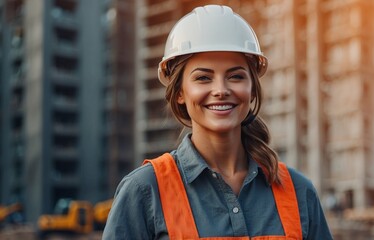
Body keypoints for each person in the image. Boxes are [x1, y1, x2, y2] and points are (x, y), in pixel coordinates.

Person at [103, 5, 333, 240]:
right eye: (203, 78)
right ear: (180, 92)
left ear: (252, 89)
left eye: (236, 76)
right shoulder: (144, 191)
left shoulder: (298, 192)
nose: (221, 90)